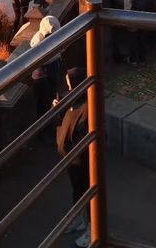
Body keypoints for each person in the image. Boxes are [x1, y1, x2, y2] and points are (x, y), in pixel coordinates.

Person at [55, 67, 91, 248]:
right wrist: (59, 109)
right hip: (71, 159)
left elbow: (84, 138)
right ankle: (80, 220)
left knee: (88, 194)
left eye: (70, 84)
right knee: (77, 190)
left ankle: (92, 229)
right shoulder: (71, 100)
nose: (68, 88)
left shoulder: (87, 109)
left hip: (81, 161)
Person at [116, 0, 156, 66]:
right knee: (142, 39)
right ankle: (143, 60)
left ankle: (133, 60)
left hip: (134, 17)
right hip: (145, 16)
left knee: (133, 40)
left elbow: (128, 2)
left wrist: (127, 19)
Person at [30, 15, 62, 118]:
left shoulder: (41, 39)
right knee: (44, 104)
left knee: (50, 98)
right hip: (43, 75)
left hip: (47, 72)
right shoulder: (38, 43)